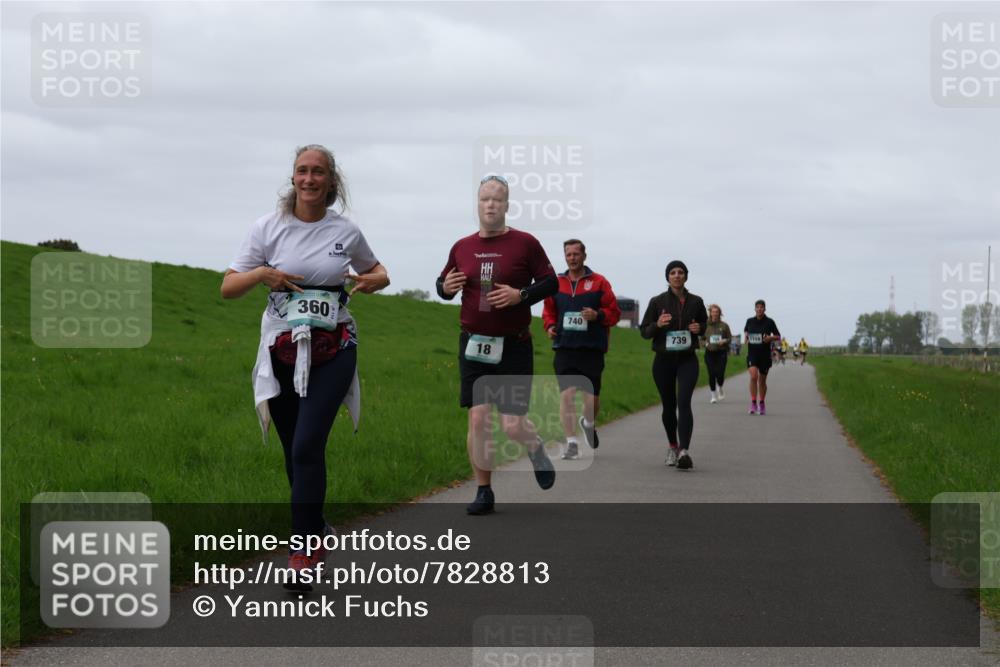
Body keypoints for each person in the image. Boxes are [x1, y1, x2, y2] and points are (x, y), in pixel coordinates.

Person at [221, 145, 390, 586]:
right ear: (292, 178)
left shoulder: (345, 232)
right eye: (302, 171)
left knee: (307, 445)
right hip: (281, 349)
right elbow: (228, 287)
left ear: (331, 182)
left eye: (318, 172)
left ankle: (302, 557)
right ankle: (314, 528)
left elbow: (380, 273)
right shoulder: (267, 228)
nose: (309, 179)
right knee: (293, 451)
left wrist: (371, 280)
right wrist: (262, 274)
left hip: (335, 346)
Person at [436, 174, 559, 515]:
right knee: (477, 420)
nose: (490, 204)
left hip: (514, 346)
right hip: (473, 345)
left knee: (512, 424)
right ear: (477, 204)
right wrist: (444, 287)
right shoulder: (461, 246)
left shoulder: (525, 243)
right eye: (485, 199)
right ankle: (484, 490)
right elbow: (442, 283)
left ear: (507, 205)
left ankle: (534, 446)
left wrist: (521, 294)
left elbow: (551, 283)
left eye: (497, 199)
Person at [541, 239, 621, 459]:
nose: (572, 258)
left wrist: (598, 315)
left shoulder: (599, 282)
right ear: (564, 256)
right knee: (566, 396)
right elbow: (548, 311)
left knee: (591, 400)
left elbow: (614, 313)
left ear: (584, 256)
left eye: (576, 254)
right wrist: (549, 327)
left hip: (592, 349)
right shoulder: (555, 283)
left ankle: (588, 423)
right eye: (569, 254)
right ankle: (572, 444)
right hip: (565, 348)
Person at [639, 260, 707, 470]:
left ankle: (684, 451)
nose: (677, 275)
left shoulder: (696, 302)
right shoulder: (657, 301)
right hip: (663, 361)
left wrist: (699, 328)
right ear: (667, 277)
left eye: (680, 272)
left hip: (687, 360)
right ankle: (673, 446)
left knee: (684, 402)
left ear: (686, 276)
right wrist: (657, 325)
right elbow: (644, 331)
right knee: (669, 406)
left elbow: (704, 326)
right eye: (672, 273)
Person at [744, 300, 781, 415]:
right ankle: (753, 402)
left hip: (764, 355)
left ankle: (762, 403)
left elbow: (778, 336)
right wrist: (746, 336)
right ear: (755, 309)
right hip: (752, 353)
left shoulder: (769, 322)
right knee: (754, 376)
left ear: (765, 309)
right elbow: (746, 330)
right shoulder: (749, 321)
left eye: (761, 307)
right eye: (757, 307)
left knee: (762, 381)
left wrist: (770, 338)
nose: (759, 309)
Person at [702, 304, 732, 404]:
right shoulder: (705, 324)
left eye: (716, 312)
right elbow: (701, 338)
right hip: (709, 353)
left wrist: (724, 341)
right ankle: (713, 395)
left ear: (719, 313)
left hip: (721, 353)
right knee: (711, 374)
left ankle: (720, 386)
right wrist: (705, 343)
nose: (714, 314)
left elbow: (729, 338)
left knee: (720, 374)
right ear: (710, 313)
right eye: (713, 312)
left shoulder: (724, 325)